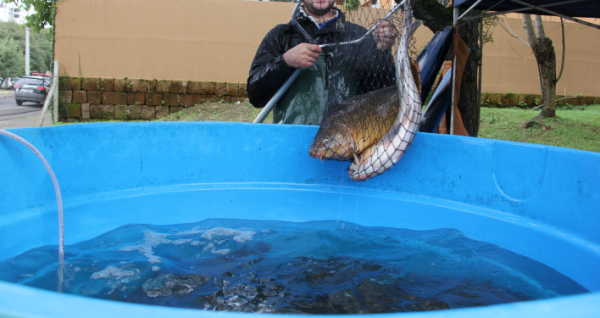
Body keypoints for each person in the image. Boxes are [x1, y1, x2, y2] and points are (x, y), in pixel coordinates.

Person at [247, 0, 398, 125]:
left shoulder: (359, 35)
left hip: (344, 144)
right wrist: (285, 61)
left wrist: (382, 52)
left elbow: (382, 92)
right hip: (291, 142)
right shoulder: (281, 35)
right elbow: (255, 95)